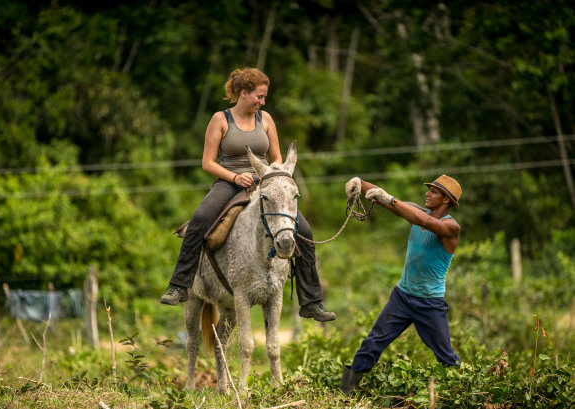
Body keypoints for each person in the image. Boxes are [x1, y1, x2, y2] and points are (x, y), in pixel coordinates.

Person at [160, 67, 335, 322]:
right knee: (199, 219)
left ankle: (311, 301)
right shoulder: (220, 120)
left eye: (264, 98)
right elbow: (207, 162)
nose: (263, 102)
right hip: (229, 183)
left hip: (264, 183)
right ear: (244, 93)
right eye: (259, 97)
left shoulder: (266, 119)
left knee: (304, 232)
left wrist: (271, 175)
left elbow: (276, 157)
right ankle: (179, 285)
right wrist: (234, 177)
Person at [339, 174, 462, 396]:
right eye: (429, 190)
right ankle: (345, 391)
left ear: (446, 199)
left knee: (445, 356)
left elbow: (425, 222)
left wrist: (390, 199)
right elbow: (392, 203)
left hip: (430, 303)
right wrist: (360, 183)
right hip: (402, 297)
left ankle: (461, 391)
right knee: (373, 342)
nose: (427, 193)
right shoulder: (416, 211)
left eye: (434, 191)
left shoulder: (451, 227)